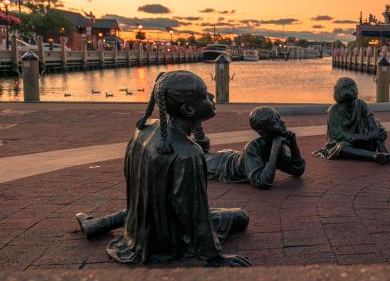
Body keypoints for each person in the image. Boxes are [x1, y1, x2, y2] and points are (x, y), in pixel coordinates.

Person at [76, 70, 251, 267]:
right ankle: (102, 224)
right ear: (188, 109)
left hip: (140, 228)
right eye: (205, 95)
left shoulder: (145, 129)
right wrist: (215, 257)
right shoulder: (188, 153)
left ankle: (100, 224)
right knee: (239, 216)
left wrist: (197, 127)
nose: (211, 97)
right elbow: (192, 212)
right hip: (165, 241)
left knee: (168, 206)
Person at [206, 106, 305, 188]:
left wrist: (293, 146)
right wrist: (274, 150)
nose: (282, 122)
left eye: (279, 117)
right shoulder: (253, 147)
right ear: (263, 132)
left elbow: (297, 171)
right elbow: (262, 182)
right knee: (200, 161)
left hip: (235, 156)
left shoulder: (275, 142)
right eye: (275, 121)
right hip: (223, 164)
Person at [313, 77, 390, 164]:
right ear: (340, 91)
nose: (354, 89)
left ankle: (383, 151)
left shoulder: (361, 104)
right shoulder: (333, 111)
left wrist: (379, 132)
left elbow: (371, 122)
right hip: (340, 143)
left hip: (359, 141)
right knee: (342, 147)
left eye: (354, 86)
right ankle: (375, 156)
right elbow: (340, 136)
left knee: (376, 125)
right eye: (349, 87)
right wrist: (368, 136)